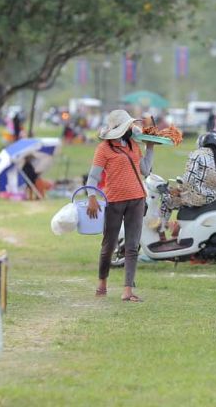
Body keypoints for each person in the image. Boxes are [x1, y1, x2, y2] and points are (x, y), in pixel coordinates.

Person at [86, 110, 154, 302]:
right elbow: (93, 176)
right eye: (129, 126)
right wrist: (91, 196)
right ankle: (102, 284)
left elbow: (145, 170)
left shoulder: (133, 144)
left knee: (132, 247)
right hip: (114, 201)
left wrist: (150, 148)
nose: (132, 128)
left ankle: (128, 290)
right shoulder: (104, 149)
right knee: (109, 245)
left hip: (137, 199)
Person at [158, 132, 216, 235]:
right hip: (212, 199)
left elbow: (188, 180)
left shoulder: (197, 154)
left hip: (196, 199)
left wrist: (179, 188)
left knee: (166, 199)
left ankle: (161, 232)